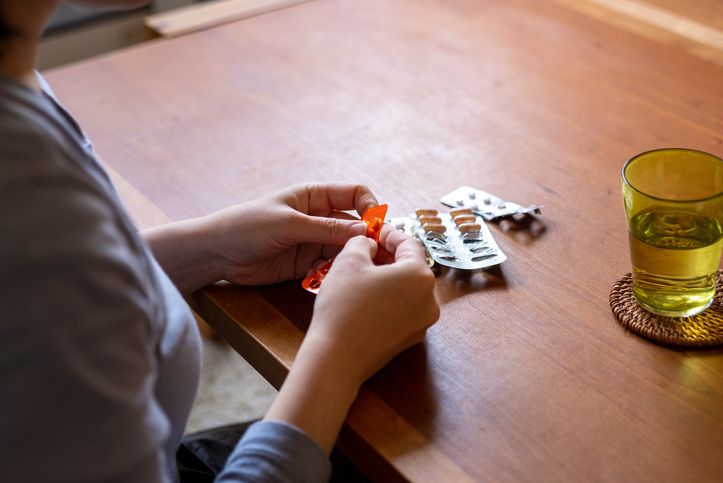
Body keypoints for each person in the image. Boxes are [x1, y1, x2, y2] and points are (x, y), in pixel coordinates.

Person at [0, 1, 440, 482]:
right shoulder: (26, 193)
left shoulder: (17, 82)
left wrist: (212, 245)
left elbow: (52, 295)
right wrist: (339, 352)